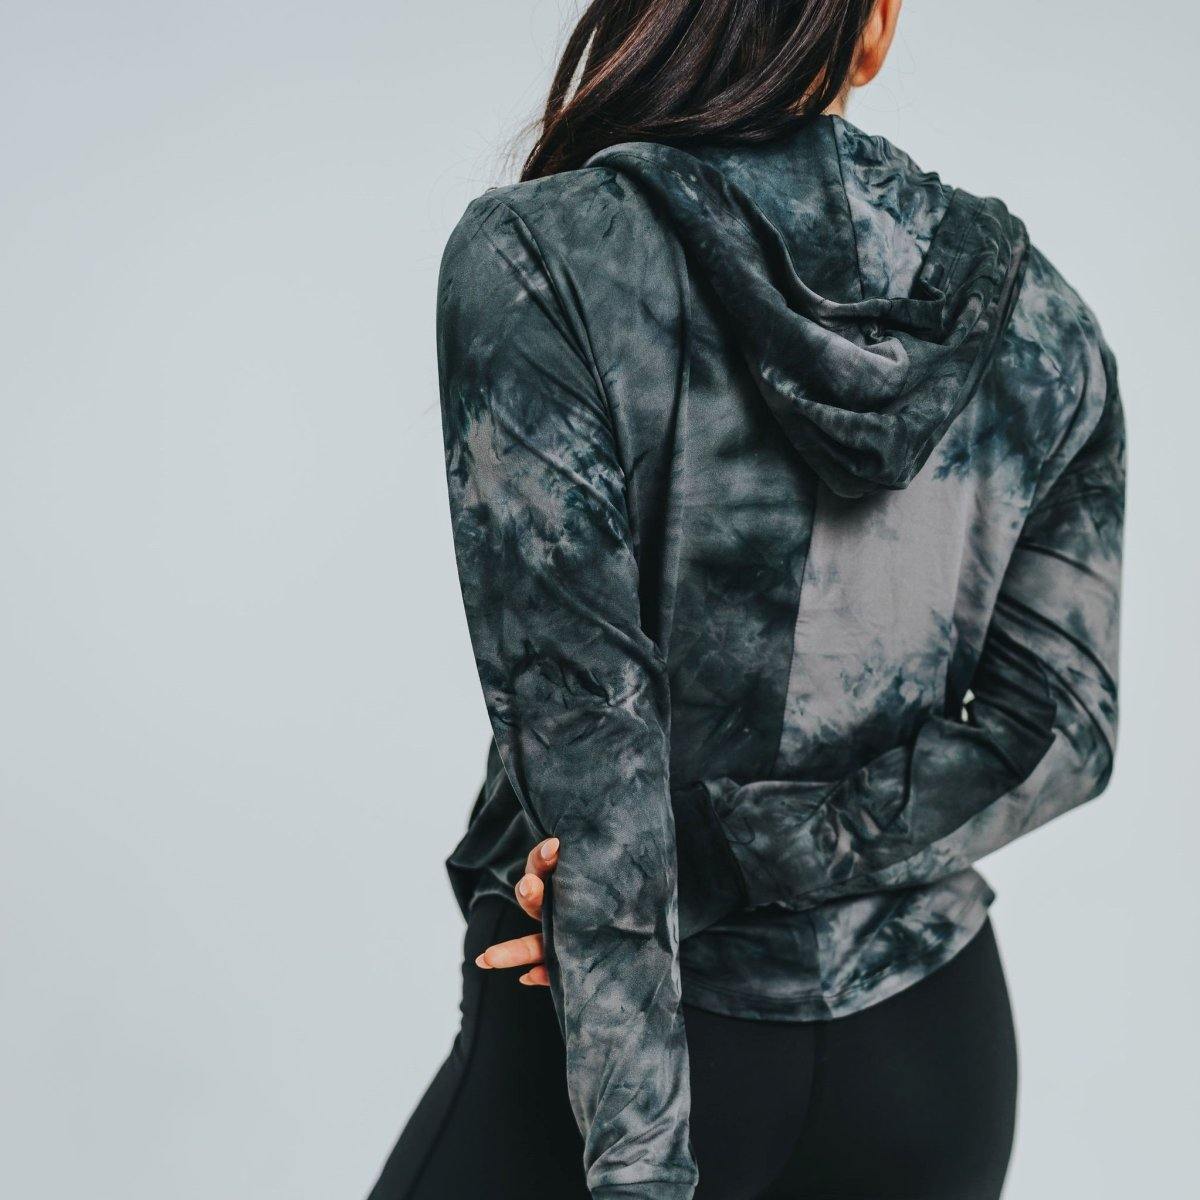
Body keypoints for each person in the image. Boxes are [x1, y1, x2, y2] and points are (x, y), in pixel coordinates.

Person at [368, 1, 1125, 1196]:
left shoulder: (549, 259)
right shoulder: (1040, 317)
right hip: (930, 1054)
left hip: (623, 1052)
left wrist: (641, 1170)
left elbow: (594, 760)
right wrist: (761, 847)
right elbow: (1065, 731)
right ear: (872, 28)